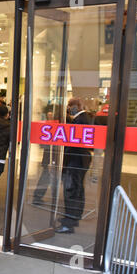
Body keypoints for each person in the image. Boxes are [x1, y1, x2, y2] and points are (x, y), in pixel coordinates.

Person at [56, 98, 93, 234]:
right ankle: (74, 216)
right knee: (77, 188)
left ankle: (69, 222)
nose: (69, 108)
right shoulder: (85, 118)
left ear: (76, 106)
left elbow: (72, 145)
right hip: (81, 159)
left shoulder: (80, 120)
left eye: (70, 106)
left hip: (76, 160)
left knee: (71, 189)